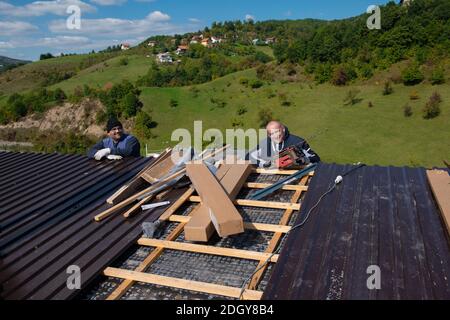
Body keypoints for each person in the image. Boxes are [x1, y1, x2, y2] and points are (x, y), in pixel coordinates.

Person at [247, 121, 320, 167]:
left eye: (277, 131)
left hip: (298, 173)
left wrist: (303, 160)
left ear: (283, 129)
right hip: (278, 176)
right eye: (272, 133)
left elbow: (316, 158)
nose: (276, 135)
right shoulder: (266, 143)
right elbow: (248, 156)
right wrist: (265, 164)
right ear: (269, 135)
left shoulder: (298, 141)